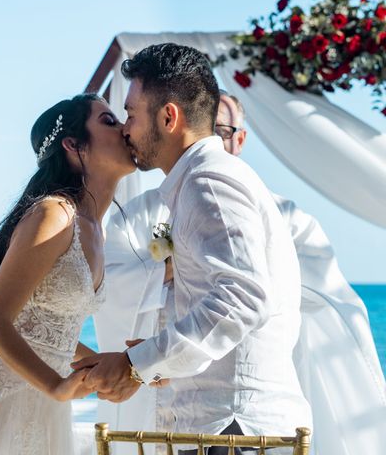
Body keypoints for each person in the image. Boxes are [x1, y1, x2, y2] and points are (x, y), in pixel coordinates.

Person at [95, 89, 386, 454]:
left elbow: (251, 296)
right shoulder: (145, 209)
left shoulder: (221, 190)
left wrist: (138, 363)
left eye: (222, 130)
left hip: (231, 413)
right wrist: (162, 281)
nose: (211, 138)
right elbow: (111, 281)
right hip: (186, 397)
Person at [73, 43, 313, 453]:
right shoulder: (201, 182)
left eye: (131, 114)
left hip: (233, 428)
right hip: (224, 426)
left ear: (169, 117)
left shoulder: (210, 183)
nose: (126, 129)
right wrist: (156, 361)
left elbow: (241, 299)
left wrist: (134, 367)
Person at [0, 94, 135, 455]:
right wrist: (56, 385)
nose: (124, 129)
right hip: (0, 409)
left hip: (44, 408)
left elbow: (47, 330)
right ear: (73, 145)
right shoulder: (53, 214)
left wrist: (104, 363)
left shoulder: (95, 228)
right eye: (108, 121)